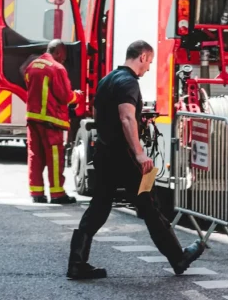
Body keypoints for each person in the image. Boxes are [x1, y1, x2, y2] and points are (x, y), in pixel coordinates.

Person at [67, 40, 205, 280]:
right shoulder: (128, 82)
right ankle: (178, 258)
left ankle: (76, 262)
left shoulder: (107, 79)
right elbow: (126, 118)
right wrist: (140, 153)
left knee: (99, 207)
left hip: (104, 153)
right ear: (142, 57)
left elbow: (99, 115)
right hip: (124, 158)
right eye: (149, 62)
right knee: (149, 206)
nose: (149, 68)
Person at [25, 38, 81, 204]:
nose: (63, 59)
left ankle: (36, 193)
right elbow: (65, 96)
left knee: (35, 157)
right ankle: (57, 194)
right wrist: (78, 96)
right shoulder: (57, 68)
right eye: (63, 55)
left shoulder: (32, 65)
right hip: (51, 121)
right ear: (58, 52)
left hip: (33, 119)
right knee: (54, 158)